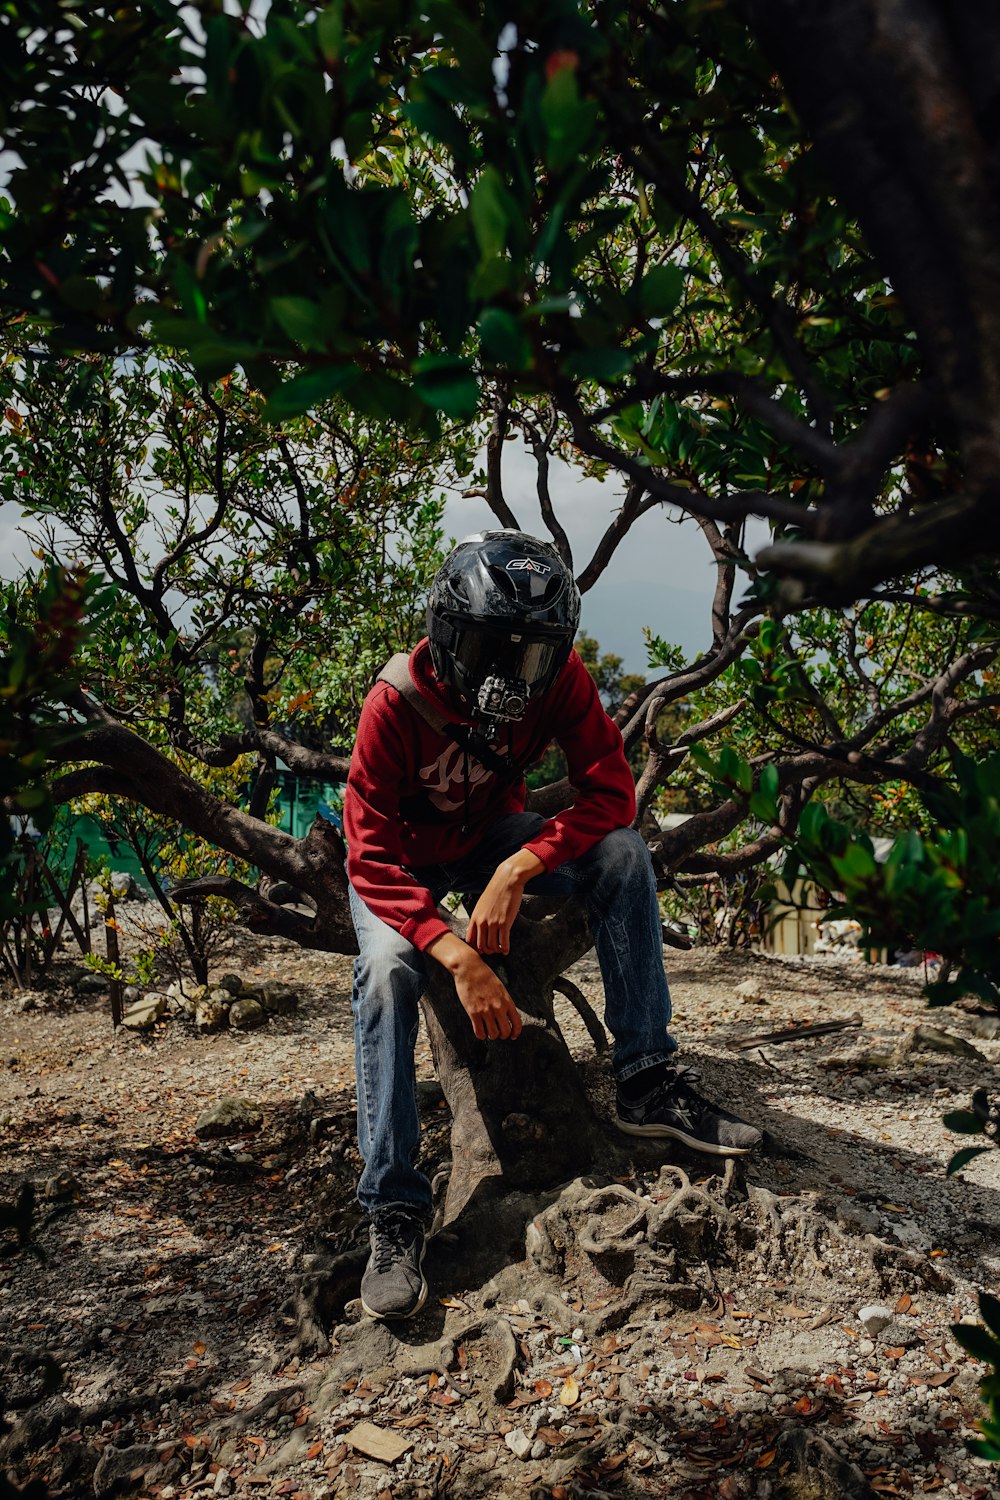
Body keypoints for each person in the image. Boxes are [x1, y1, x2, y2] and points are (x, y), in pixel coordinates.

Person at [343, 529, 761, 1320]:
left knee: (624, 857)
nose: (510, 674)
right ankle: (394, 1206)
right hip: (401, 862)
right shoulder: (392, 703)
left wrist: (517, 868)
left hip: (489, 842)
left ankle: (644, 1079)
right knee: (388, 975)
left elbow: (612, 797)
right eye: (489, 647)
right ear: (445, 630)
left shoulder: (561, 678)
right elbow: (367, 861)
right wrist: (457, 955)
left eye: (530, 655)